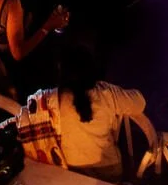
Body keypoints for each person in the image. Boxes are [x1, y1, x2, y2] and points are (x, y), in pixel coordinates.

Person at [42, 44, 145, 177]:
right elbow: (140, 103)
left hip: (72, 171)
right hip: (109, 170)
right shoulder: (106, 92)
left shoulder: (52, 99)